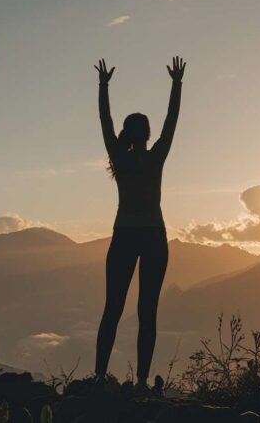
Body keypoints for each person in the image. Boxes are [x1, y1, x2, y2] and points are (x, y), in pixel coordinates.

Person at [93, 56, 185, 390]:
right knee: (148, 312)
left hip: (124, 236)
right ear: (145, 133)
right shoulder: (156, 155)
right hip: (154, 237)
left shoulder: (120, 157)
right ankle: (143, 381)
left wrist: (103, 87)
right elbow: (171, 123)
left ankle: (99, 377)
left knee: (112, 309)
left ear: (126, 135)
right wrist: (176, 84)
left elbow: (105, 121)